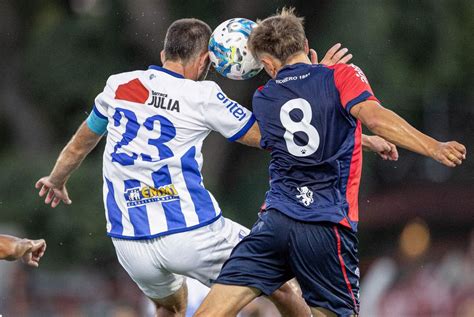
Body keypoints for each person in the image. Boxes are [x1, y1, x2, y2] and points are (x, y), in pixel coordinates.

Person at [34, 18, 395, 317]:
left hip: (129, 242)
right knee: (282, 286)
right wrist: (327, 98)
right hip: (190, 233)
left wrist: (57, 178)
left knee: (171, 309)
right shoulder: (203, 96)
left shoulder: (119, 85)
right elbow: (278, 134)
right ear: (206, 61)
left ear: (163, 54)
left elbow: (84, 139)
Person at [194, 8, 467, 317]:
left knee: (209, 312)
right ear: (304, 42)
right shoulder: (340, 76)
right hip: (326, 226)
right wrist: (433, 146)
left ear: (267, 64)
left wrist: (363, 140)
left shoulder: (264, 97)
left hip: (275, 224)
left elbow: (300, 132)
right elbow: (374, 117)